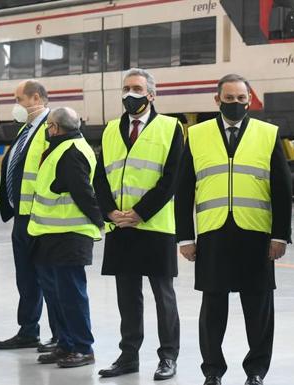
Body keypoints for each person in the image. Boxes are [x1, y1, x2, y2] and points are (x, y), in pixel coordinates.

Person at [175, 74, 293, 385]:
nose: (236, 104)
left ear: (249, 100)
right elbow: (184, 189)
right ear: (217, 100)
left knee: (259, 309)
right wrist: (185, 237)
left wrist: (280, 236)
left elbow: (282, 189)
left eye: (242, 99)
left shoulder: (268, 134)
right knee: (213, 309)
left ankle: (256, 371)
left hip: (256, 235)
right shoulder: (197, 135)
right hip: (213, 234)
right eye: (229, 99)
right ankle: (212, 371)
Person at [94, 68, 183, 381]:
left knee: (163, 295)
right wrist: (109, 212)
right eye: (126, 88)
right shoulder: (109, 129)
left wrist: (140, 212)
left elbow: (172, 179)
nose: (130, 94)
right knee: (127, 295)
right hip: (120, 227)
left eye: (137, 88)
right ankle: (129, 355)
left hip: (154, 225)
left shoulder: (171, 128)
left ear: (151, 95)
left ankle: (168, 356)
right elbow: (100, 178)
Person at [28, 107, 103, 368]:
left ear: (56, 128)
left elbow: (83, 193)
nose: (47, 130)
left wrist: (101, 222)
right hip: (53, 235)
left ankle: (82, 347)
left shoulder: (71, 152)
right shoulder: (63, 147)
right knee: (59, 294)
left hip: (70, 236)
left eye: (48, 126)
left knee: (71, 294)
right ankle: (66, 344)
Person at [0, 80, 59, 352]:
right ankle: (28, 330)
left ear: (35, 98)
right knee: (27, 277)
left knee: (50, 278)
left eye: (18, 99)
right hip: (21, 216)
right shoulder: (26, 129)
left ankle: (60, 335)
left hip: (40, 217)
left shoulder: (52, 128)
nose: (16, 105)